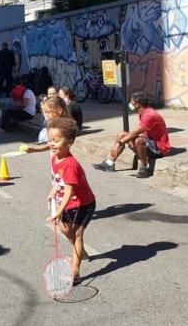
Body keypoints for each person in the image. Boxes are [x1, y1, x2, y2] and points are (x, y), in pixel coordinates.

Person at [45, 117, 96, 285]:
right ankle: (80, 252)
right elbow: (59, 182)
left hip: (83, 205)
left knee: (78, 234)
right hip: (68, 204)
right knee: (66, 231)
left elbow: (69, 191)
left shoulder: (70, 164)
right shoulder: (55, 158)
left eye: (56, 140)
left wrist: (58, 212)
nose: (51, 144)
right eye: (50, 140)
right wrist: (52, 192)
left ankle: (75, 272)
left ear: (70, 142)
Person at [94, 91, 171, 178]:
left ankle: (145, 168)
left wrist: (118, 144)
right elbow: (139, 132)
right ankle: (109, 163)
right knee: (121, 134)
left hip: (159, 148)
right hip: (150, 143)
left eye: (132, 102)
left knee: (138, 140)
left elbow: (135, 133)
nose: (130, 104)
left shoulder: (149, 115)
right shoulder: (142, 113)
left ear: (138, 104)